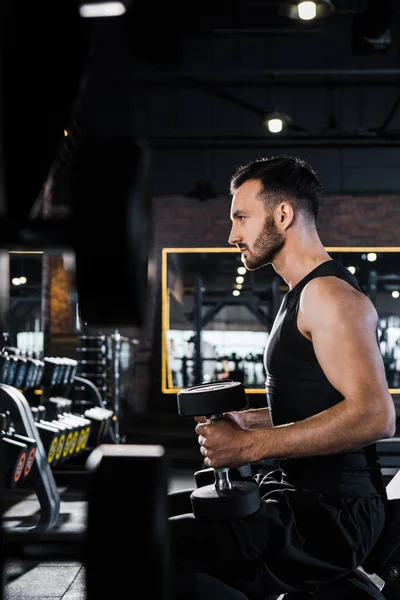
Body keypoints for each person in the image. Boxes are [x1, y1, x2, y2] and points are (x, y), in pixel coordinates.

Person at [168, 156, 397, 600]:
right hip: (303, 497)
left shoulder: (328, 295)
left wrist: (250, 446)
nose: (232, 235)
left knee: (158, 553)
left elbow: (375, 416)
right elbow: (318, 405)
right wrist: (249, 422)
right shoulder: (302, 293)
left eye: (241, 217)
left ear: (283, 214)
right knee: (161, 522)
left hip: (335, 516)